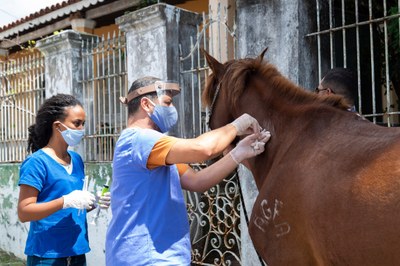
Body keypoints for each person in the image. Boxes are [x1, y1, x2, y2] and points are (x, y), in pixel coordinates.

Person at [105, 77, 271, 266]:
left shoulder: (156, 149)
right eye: (167, 103)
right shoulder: (139, 139)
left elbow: (197, 181)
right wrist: (236, 126)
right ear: (146, 104)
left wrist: (237, 153)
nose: (171, 109)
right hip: (146, 258)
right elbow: (203, 149)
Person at [18, 94, 111, 266]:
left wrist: (93, 202)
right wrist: (65, 201)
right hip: (47, 255)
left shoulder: (76, 160)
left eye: (83, 124)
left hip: (77, 251)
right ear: (58, 126)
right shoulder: (37, 162)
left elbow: (73, 208)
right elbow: (25, 212)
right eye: (77, 123)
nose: (82, 129)